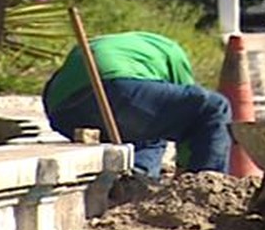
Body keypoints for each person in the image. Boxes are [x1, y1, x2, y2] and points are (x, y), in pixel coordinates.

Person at [42, 31, 231, 180]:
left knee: (149, 127)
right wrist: (185, 168)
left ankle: (139, 178)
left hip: (62, 112)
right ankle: (205, 185)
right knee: (214, 107)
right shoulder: (171, 50)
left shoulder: (119, 46)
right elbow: (194, 120)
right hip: (116, 89)